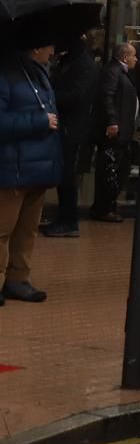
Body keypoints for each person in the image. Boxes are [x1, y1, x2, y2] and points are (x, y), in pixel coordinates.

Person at [0, 33, 61, 304]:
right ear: (35, 46)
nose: (52, 50)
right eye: (49, 44)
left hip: (38, 167)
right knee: (2, 229)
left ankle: (18, 279)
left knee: (27, 229)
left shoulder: (39, 74)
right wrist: (38, 121)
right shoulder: (5, 74)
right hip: (11, 168)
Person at [41, 36, 98, 238]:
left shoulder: (85, 67)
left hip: (72, 127)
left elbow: (77, 95)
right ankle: (64, 218)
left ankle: (68, 219)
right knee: (63, 173)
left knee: (67, 174)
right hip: (65, 125)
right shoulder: (69, 62)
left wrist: (50, 96)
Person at [91, 42, 138, 223]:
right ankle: (104, 207)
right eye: (133, 55)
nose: (136, 59)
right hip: (115, 133)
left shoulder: (121, 73)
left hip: (123, 131)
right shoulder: (113, 72)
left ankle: (106, 205)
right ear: (125, 57)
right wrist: (112, 122)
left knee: (119, 168)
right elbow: (107, 95)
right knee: (110, 169)